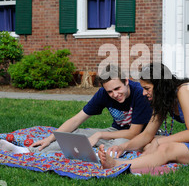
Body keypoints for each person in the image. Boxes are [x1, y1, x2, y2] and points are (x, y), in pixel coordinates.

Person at [98, 63, 189, 170]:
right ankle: (145, 159)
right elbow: (147, 134)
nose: (143, 93)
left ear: (160, 86)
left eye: (147, 88)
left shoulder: (185, 91)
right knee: (149, 142)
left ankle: (117, 165)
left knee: (165, 147)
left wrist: (158, 142)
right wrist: (122, 147)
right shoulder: (163, 99)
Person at [0, 64, 152, 155]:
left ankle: (102, 157)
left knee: (117, 142)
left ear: (126, 81)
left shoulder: (141, 93)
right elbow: (77, 119)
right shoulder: (104, 94)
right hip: (115, 131)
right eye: (110, 91)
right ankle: (25, 151)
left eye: (118, 88)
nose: (114, 94)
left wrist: (99, 134)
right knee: (78, 135)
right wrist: (50, 138)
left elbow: (134, 133)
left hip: (138, 136)